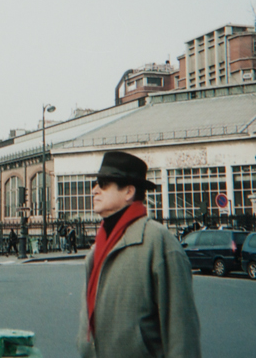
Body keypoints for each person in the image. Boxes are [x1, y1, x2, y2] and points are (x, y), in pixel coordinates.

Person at [77, 151, 201, 358]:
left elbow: (181, 332)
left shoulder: (158, 242)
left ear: (128, 191)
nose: (94, 190)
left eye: (104, 183)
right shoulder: (99, 246)